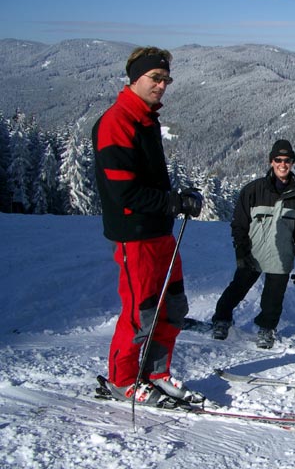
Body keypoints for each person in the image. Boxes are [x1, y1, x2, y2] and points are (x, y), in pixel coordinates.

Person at [92, 46, 204, 405]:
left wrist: (177, 198)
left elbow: (150, 182)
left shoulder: (145, 118)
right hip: (134, 236)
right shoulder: (116, 122)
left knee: (172, 306)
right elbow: (124, 191)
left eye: (166, 79)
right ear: (135, 78)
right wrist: (173, 201)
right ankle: (121, 380)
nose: (162, 85)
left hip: (160, 232)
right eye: (155, 78)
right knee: (139, 313)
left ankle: (156, 371)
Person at [211, 139, 295, 349]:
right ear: (271, 161)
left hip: (281, 255)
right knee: (237, 289)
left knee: (273, 298)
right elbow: (239, 224)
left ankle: (267, 328)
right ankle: (222, 319)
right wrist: (241, 251)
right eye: (278, 159)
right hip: (253, 252)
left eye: (287, 160)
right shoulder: (253, 190)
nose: (282, 164)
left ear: (292, 162)